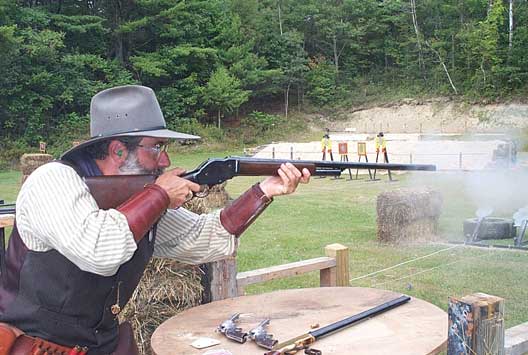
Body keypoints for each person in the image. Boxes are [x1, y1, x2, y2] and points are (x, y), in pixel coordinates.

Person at [0, 85, 310, 355]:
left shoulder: (138, 197)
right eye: (157, 148)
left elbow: (207, 239)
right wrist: (159, 196)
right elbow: (98, 250)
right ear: (118, 151)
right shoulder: (52, 180)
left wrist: (264, 191)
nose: (166, 161)